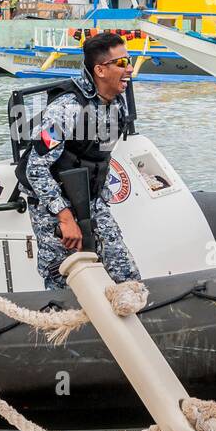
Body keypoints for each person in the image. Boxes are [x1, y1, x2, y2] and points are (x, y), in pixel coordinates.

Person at [19, 33, 141, 289]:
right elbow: (35, 167)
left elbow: (98, 154)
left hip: (90, 199)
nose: (129, 69)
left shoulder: (117, 104)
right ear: (100, 70)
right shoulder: (67, 109)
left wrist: (99, 198)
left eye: (129, 60)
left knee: (125, 273)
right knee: (64, 280)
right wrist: (65, 218)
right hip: (53, 206)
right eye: (122, 63)